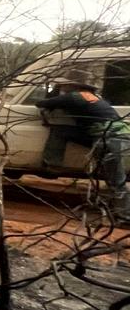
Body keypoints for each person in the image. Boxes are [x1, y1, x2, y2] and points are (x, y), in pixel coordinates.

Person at [38, 71, 129, 217]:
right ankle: (112, 208)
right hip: (115, 135)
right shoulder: (94, 97)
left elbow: (41, 103)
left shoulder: (73, 96)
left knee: (116, 180)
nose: (62, 86)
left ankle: (125, 216)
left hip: (108, 138)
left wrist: (54, 97)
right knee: (61, 131)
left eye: (64, 84)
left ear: (72, 85)